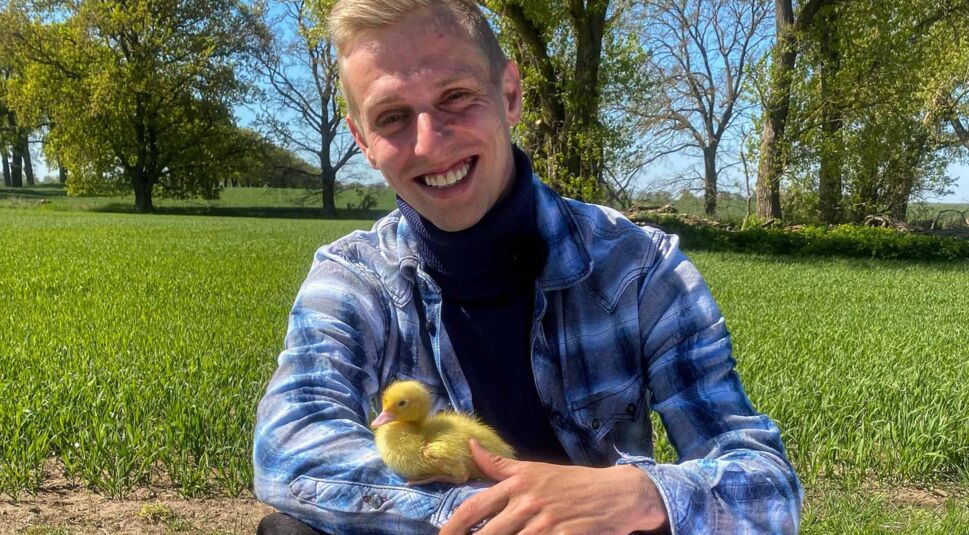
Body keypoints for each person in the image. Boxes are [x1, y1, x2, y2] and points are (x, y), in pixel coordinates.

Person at [253, 0, 803, 533]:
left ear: (510, 94)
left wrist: (641, 495)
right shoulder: (351, 281)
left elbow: (766, 486)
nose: (429, 141)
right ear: (363, 141)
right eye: (393, 117)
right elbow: (289, 452)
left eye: (457, 97)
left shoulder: (640, 268)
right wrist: (506, 514)